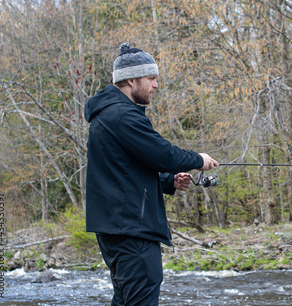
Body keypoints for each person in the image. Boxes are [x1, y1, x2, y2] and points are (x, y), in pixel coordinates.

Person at [84, 42, 218, 305]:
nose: (156, 85)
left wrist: (169, 180)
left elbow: (125, 169)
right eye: (151, 78)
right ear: (131, 80)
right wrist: (198, 159)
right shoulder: (122, 116)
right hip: (132, 228)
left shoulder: (109, 114)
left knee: (126, 299)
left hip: (119, 226)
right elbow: (162, 154)